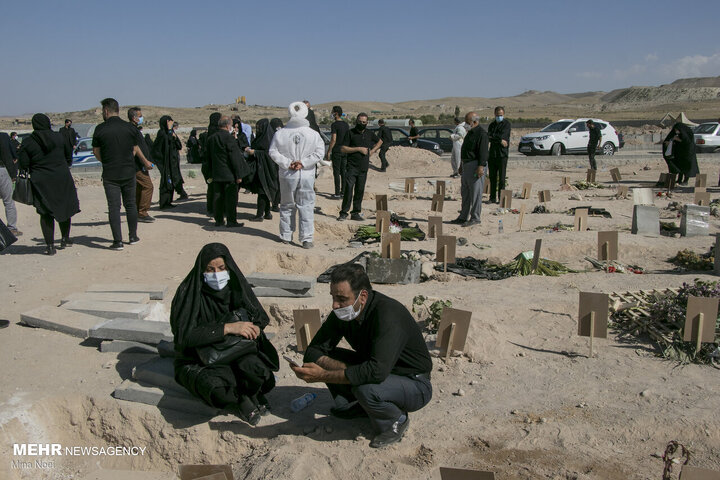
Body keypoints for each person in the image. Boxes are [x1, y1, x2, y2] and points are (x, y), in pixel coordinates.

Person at [291, 263, 432, 448]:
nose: (335, 305)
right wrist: (349, 371)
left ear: (362, 296)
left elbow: (377, 373)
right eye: (333, 297)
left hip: (414, 383)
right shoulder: (343, 313)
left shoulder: (388, 314)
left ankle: (395, 420)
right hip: (378, 368)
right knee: (322, 361)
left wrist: (323, 375)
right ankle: (359, 406)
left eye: (341, 298)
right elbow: (313, 351)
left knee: (366, 388)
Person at [170, 242, 279, 426]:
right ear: (201, 270)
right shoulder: (188, 293)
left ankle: (250, 394)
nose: (216, 274)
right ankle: (240, 401)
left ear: (228, 267)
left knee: (261, 375)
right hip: (201, 358)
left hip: (235, 350)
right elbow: (184, 336)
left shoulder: (235, 286)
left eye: (221, 268)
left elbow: (259, 316)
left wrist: (255, 327)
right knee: (218, 390)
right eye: (210, 269)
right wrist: (228, 328)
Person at [18, 114, 80, 254]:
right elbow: (68, 155)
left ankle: (50, 246)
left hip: (41, 181)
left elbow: (24, 163)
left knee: (45, 213)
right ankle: (65, 238)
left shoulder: (28, 141)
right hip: (61, 177)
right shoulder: (59, 137)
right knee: (64, 207)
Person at [269, 102, 325, 248]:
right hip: (306, 175)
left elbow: (273, 152)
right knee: (306, 206)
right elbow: (319, 153)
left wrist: (288, 162)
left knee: (287, 205)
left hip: (287, 174)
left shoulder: (280, 133)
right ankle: (307, 238)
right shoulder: (313, 134)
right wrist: (304, 163)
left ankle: (286, 235)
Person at [92, 98, 142, 250]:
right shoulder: (129, 128)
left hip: (110, 173)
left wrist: (107, 162)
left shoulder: (100, 129)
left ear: (106, 110)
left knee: (114, 207)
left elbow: (96, 151)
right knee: (131, 204)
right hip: (128, 171)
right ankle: (132, 236)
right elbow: (134, 149)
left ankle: (118, 241)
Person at [207, 116, 250, 228]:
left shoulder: (211, 138)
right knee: (231, 199)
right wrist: (239, 174)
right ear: (227, 125)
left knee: (218, 198)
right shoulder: (229, 138)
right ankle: (231, 221)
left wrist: (209, 173)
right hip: (229, 174)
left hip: (216, 173)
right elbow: (234, 157)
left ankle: (219, 220)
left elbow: (207, 158)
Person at [338, 113, 382, 221]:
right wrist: (358, 149)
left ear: (367, 123)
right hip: (352, 167)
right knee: (348, 189)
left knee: (360, 190)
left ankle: (356, 212)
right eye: (360, 122)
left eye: (364, 122)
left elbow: (380, 141)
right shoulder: (350, 133)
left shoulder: (369, 133)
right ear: (356, 121)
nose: (362, 124)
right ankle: (344, 213)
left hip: (363, 167)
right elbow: (343, 148)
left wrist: (372, 151)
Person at [450, 112, 488, 227]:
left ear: (474, 122)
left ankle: (475, 217)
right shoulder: (470, 133)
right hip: (466, 165)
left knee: (475, 193)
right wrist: (461, 165)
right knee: (465, 193)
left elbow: (483, 152)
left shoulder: (482, 134)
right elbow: (465, 150)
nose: (465, 124)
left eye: (467, 122)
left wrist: (481, 167)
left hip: (476, 166)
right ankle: (463, 216)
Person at [245, 119, 279, 222]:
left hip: (266, 170)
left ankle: (259, 215)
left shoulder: (269, 140)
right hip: (260, 169)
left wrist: (254, 152)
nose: (258, 129)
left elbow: (268, 154)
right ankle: (267, 213)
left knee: (262, 192)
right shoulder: (262, 138)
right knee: (264, 191)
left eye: (260, 128)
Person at [127, 107, 155, 223]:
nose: (141, 118)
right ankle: (142, 212)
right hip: (137, 165)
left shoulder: (134, 129)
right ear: (134, 118)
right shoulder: (132, 130)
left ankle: (138, 211)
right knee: (148, 186)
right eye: (140, 116)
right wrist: (145, 161)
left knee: (140, 187)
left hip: (138, 165)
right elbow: (136, 148)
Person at [487, 107, 511, 204]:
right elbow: (489, 136)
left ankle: (501, 198)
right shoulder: (492, 125)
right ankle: (492, 197)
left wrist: (496, 138)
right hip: (492, 154)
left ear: (503, 114)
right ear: (494, 114)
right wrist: (499, 140)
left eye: (500, 115)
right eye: (497, 115)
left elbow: (503, 136)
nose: (499, 117)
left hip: (502, 154)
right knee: (492, 177)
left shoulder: (506, 124)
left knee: (501, 178)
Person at [200, 113, 222, 216]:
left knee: (211, 187)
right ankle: (216, 209)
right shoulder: (217, 134)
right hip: (215, 165)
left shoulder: (208, 133)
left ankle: (210, 208)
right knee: (217, 188)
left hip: (208, 164)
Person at [0, 131, 21, 236]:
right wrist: (13, 174)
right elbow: (10, 155)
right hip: (3, 170)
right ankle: (12, 228)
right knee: (8, 201)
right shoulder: (3, 136)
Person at [326, 106, 349, 197]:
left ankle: (337, 193)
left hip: (337, 150)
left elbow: (333, 139)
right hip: (345, 150)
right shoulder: (346, 125)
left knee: (336, 172)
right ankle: (343, 191)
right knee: (343, 171)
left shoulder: (334, 125)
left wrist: (329, 151)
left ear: (335, 113)